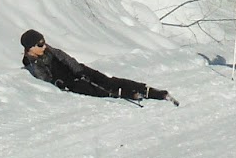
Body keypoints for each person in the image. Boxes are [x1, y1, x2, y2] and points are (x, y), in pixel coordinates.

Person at [20, 30, 177, 103]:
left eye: (44, 41)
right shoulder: (32, 63)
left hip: (78, 71)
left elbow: (67, 59)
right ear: (31, 47)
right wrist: (66, 83)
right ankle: (131, 95)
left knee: (106, 80)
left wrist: (79, 71)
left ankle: (146, 90)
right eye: (40, 43)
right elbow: (46, 79)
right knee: (101, 91)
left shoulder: (50, 50)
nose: (44, 45)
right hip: (70, 83)